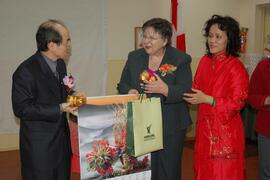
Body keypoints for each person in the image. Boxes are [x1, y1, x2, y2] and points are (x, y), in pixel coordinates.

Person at [117, 17, 192, 180]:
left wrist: (166, 89)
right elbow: (122, 84)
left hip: (170, 124)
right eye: (145, 36)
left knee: (168, 170)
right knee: (143, 168)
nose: (146, 41)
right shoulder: (134, 57)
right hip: (141, 123)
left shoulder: (180, 59)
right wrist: (129, 90)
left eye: (152, 37)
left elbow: (186, 91)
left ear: (165, 40)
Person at [183, 15, 249, 180]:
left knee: (223, 174)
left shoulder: (236, 67)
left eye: (218, 36)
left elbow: (237, 102)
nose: (212, 40)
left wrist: (208, 99)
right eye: (210, 36)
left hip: (226, 134)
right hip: (204, 130)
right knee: (203, 171)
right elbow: (195, 87)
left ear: (229, 40)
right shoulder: (205, 60)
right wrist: (174, 89)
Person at [12, 19, 77, 180]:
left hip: (61, 142)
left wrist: (73, 97)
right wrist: (60, 108)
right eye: (66, 41)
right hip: (40, 147)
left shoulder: (60, 64)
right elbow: (22, 109)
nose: (69, 45)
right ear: (51, 45)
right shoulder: (25, 71)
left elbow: (58, 93)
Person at [248, 57, 270, 180]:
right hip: (267, 131)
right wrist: (266, 100)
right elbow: (251, 96)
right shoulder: (264, 67)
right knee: (266, 174)